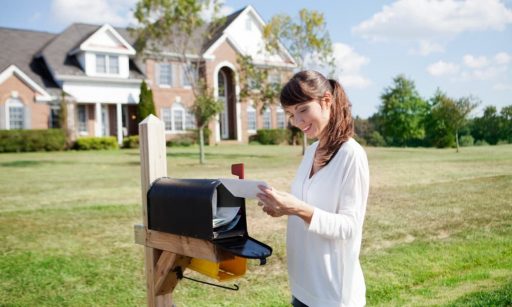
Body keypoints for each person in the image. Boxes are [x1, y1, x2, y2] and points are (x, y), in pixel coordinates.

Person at [257, 70, 370, 307]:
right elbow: (307, 207)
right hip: (303, 287)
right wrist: (283, 208)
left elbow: (349, 227)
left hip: (333, 294)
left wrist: (297, 208)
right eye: (290, 114)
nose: (298, 121)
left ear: (326, 101)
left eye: (303, 109)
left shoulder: (352, 155)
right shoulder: (311, 152)